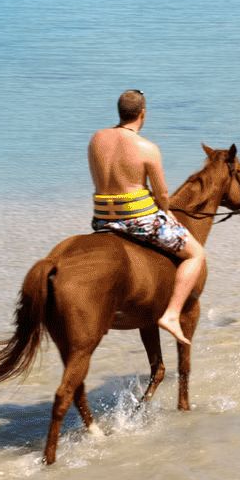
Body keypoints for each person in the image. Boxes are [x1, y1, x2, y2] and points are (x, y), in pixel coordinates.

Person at [88, 90, 206, 345]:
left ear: (119, 112)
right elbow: (163, 194)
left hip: (102, 220)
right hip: (138, 221)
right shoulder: (147, 148)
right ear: (143, 114)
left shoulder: (96, 139)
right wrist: (167, 213)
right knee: (196, 254)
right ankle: (172, 314)